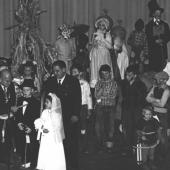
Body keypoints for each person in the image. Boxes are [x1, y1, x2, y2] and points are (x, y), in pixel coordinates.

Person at [42, 60, 81, 170]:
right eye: (54, 71)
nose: (55, 73)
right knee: (58, 143)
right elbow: (47, 99)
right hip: (55, 118)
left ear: (64, 69)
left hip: (69, 117)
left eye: (57, 71)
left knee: (71, 142)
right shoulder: (50, 81)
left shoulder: (73, 81)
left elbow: (77, 99)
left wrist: (75, 114)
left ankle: (73, 165)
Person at [35, 93, 66, 170]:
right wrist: (41, 127)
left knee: (53, 153)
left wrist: (48, 130)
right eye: (45, 101)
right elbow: (41, 121)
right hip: (45, 137)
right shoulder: (45, 112)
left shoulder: (57, 114)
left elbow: (57, 127)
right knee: (45, 152)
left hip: (53, 138)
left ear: (53, 103)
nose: (45, 103)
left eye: (47, 102)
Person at [94, 64, 120, 152]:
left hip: (110, 107)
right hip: (100, 107)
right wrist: (102, 93)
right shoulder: (99, 82)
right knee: (99, 126)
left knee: (111, 126)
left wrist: (101, 95)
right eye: (103, 74)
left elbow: (113, 95)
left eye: (106, 73)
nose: (105, 75)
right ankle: (100, 144)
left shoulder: (114, 83)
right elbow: (96, 95)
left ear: (110, 73)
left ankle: (109, 145)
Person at [15, 79, 40, 168]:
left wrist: (32, 128)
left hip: (31, 128)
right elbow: (17, 114)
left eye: (28, 90)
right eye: (24, 90)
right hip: (21, 127)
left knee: (31, 146)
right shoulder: (19, 100)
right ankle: (24, 159)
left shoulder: (36, 103)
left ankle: (32, 161)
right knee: (21, 143)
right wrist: (18, 123)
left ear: (32, 91)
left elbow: (37, 118)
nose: (25, 92)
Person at [122, 65, 147, 149]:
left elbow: (141, 99)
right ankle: (128, 147)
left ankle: (136, 147)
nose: (127, 76)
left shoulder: (141, 85)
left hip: (137, 111)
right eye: (126, 74)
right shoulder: (124, 84)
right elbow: (124, 98)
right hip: (127, 110)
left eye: (129, 75)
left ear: (135, 75)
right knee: (127, 128)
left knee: (136, 129)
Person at [146, 71, 170, 158]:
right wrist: (157, 100)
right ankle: (157, 155)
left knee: (163, 137)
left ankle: (164, 155)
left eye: (157, 79)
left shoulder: (167, 90)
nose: (155, 81)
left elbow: (162, 104)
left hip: (164, 116)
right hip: (155, 114)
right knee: (155, 134)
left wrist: (153, 100)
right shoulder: (155, 87)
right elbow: (147, 98)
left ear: (163, 80)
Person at [71, 64, 93, 153]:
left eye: (75, 72)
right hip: (73, 107)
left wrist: (89, 109)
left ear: (80, 73)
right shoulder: (71, 83)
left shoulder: (85, 83)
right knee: (74, 126)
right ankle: (76, 146)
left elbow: (89, 96)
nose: (74, 74)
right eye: (72, 72)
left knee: (83, 127)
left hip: (83, 107)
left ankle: (84, 146)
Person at [146, 2, 170, 72]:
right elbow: (149, 38)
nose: (158, 15)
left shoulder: (165, 25)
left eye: (159, 13)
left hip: (163, 52)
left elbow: (168, 36)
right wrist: (155, 41)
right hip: (153, 53)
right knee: (154, 72)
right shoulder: (149, 26)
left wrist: (163, 40)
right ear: (153, 14)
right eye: (157, 13)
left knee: (163, 72)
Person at [90, 16, 113, 88]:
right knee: (95, 68)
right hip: (96, 53)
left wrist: (102, 39)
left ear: (105, 26)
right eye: (99, 25)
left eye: (103, 25)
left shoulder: (107, 35)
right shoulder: (95, 34)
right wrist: (94, 43)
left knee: (103, 66)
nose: (101, 26)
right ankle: (96, 84)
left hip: (104, 54)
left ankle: (105, 83)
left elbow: (110, 46)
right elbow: (92, 44)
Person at [136, 105, 161, 169]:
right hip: (145, 141)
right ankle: (144, 164)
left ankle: (151, 163)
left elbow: (158, 130)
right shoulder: (140, 121)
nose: (149, 115)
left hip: (153, 140)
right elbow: (138, 130)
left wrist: (158, 138)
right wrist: (141, 136)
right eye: (147, 114)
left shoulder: (154, 121)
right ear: (143, 114)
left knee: (152, 154)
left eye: (150, 114)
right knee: (144, 154)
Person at [0, 69, 16, 164]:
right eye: (6, 80)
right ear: (0, 79)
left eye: (10, 80)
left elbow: (13, 99)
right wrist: (9, 108)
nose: (9, 83)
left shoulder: (11, 86)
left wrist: (12, 108)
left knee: (8, 140)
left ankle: (6, 159)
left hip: (8, 118)